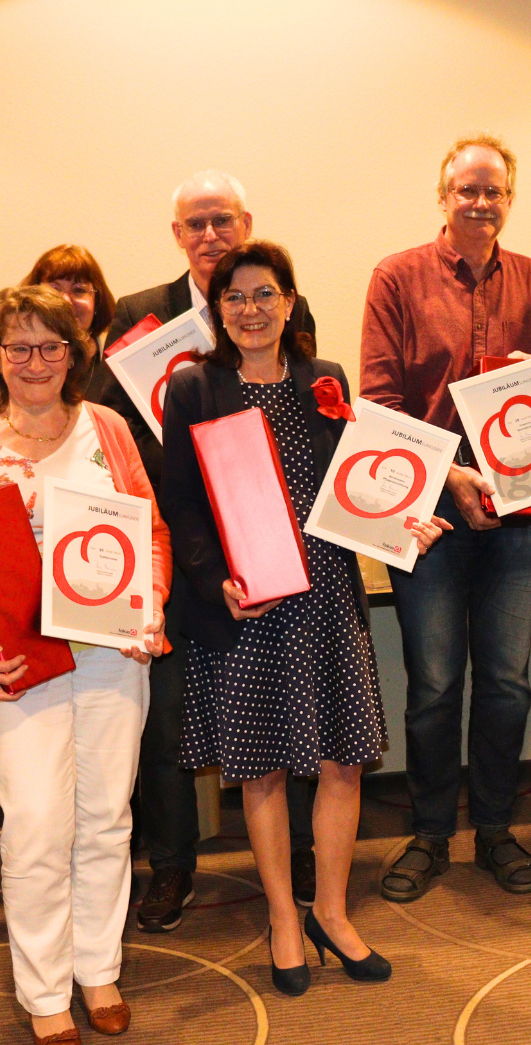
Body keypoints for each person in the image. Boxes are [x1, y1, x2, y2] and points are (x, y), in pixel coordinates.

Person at [161, 239, 448, 994]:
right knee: (258, 767)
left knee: (341, 760)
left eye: (265, 295)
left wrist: (405, 519)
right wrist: (214, 577)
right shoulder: (195, 386)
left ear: (289, 303)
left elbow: (359, 479)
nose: (251, 310)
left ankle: (332, 910)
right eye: (235, 298)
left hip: (325, 591)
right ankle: (283, 918)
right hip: (247, 601)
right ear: (217, 310)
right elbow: (181, 504)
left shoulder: (325, 379)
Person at [0, 286, 169, 1043]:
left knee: (104, 820)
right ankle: (42, 990)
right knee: (35, 824)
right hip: (16, 662)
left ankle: (97, 969)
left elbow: (151, 533)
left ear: (76, 353)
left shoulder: (108, 429)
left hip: (110, 653)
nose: (36, 361)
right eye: (19, 347)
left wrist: (152, 603)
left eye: (51, 346)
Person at [100, 170, 319, 930]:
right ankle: (171, 866)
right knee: (167, 721)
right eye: (193, 223)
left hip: (271, 553)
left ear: (245, 222)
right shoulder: (135, 316)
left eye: (221, 219)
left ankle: (294, 863)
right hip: (170, 543)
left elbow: (309, 433)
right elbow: (107, 425)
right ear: (176, 236)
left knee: (285, 708)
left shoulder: (285, 307)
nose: (208, 235)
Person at [361, 134, 531, 902]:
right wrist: (452, 478)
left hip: (516, 517)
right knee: (436, 684)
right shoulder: (397, 277)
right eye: (466, 190)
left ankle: (493, 829)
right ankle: (428, 835)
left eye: (494, 191)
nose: (480, 202)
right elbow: (377, 405)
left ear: (509, 198)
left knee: (508, 683)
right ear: (442, 194)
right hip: (428, 520)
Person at [0, 244, 118, 417]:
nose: (66, 300)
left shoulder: (119, 368)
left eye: (79, 290)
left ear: (97, 301)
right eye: (54, 289)